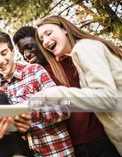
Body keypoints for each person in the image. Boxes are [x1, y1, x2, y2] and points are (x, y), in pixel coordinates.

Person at [13, 25, 120, 157]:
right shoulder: (32, 78)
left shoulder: (71, 61)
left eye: (29, 47)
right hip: (69, 147)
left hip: (99, 139)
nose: (26, 55)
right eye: (22, 52)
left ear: (40, 43)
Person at [0, 31, 74, 157]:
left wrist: (28, 111)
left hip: (58, 153)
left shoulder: (34, 71)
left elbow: (63, 108)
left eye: (4, 53)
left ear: (12, 51)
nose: (1, 60)